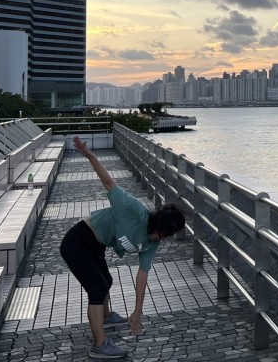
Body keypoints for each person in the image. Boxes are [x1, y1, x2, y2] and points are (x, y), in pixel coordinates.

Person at [60, 136, 187, 359]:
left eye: (165, 237)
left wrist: (137, 313)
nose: (160, 239)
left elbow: (142, 277)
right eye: (159, 233)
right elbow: (109, 182)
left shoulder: (152, 243)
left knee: (106, 281)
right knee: (97, 289)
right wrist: (90, 156)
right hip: (77, 241)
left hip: (97, 246)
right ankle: (99, 345)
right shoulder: (132, 209)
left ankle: (106, 317)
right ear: (154, 223)